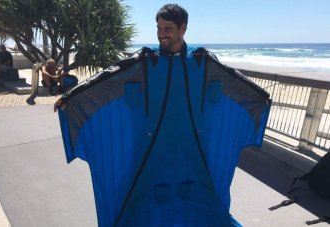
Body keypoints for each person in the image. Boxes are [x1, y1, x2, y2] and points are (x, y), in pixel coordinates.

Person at [54, 4, 270, 226]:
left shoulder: (199, 60)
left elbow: (231, 80)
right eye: (158, 27)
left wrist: (260, 97)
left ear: (182, 28)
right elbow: (111, 78)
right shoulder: (149, 60)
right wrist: (71, 99)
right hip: (151, 143)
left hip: (192, 142)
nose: (161, 33)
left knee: (206, 192)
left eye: (167, 28)